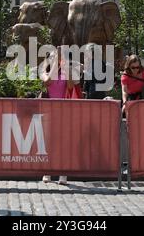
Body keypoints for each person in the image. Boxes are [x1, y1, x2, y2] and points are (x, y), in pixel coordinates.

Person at [40, 47, 79, 185]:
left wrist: (66, 67)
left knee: (64, 142)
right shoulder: (45, 72)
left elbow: (69, 87)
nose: (56, 59)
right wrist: (56, 61)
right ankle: (47, 171)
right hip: (49, 111)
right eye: (53, 58)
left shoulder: (66, 72)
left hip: (64, 111)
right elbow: (47, 81)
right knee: (49, 142)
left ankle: (63, 173)